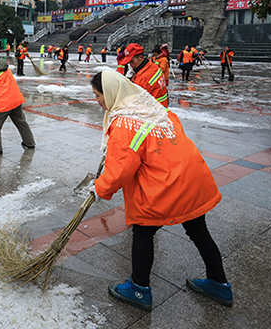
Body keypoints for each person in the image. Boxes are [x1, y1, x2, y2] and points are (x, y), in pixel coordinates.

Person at [89, 70, 231, 311]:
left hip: (165, 187)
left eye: (97, 95)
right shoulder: (155, 109)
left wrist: (99, 188)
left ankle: (138, 289)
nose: (97, 100)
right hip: (191, 181)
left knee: (143, 233)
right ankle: (219, 284)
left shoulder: (125, 123)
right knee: (198, 231)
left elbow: (121, 168)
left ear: (111, 93)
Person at [120, 43, 169, 107]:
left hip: (152, 111)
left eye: (132, 61)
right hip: (161, 107)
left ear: (141, 57)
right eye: (129, 63)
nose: (131, 65)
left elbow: (134, 102)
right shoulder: (152, 66)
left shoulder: (142, 78)